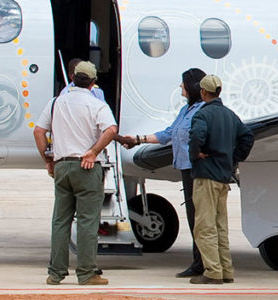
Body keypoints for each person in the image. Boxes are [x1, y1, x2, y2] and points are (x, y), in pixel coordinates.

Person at [32, 60, 117, 286]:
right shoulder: (96, 104)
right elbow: (111, 129)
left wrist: (48, 160)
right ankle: (87, 272)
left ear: (72, 78)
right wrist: (93, 152)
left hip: (62, 165)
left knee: (60, 221)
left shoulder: (56, 103)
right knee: (88, 221)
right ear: (92, 83)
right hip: (86, 167)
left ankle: (55, 273)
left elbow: (39, 131)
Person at [119, 68, 208, 277]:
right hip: (187, 169)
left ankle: (204, 263)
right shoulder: (187, 110)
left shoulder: (204, 111)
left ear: (193, 87)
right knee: (193, 216)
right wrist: (138, 140)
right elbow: (168, 134)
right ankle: (200, 261)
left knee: (201, 218)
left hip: (198, 169)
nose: (180, 88)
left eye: (183, 84)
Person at [186, 74, 254, 285]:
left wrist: (195, 153)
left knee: (204, 226)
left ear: (203, 92)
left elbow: (197, 136)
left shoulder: (202, 115)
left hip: (206, 175)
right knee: (220, 226)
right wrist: (234, 158)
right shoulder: (230, 115)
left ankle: (213, 271)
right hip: (223, 176)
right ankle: (226, 269)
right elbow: (247, 137)